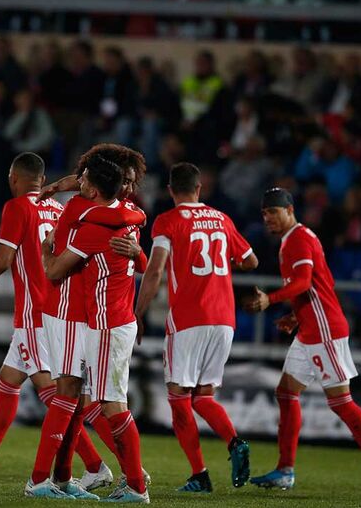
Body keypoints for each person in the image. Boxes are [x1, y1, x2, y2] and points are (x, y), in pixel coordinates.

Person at [0, 152, 108, 488]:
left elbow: (3, 260)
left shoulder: (17, 207)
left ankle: (95, 464)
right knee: (8, 381)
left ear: (13, 178)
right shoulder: (59, 209)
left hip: (36, 315)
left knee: (51, 392)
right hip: (57, 310)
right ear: (42, 180)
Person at [245, 188, 361, 499]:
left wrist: (271, 299)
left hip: (324, 330)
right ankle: (285, 470)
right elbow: (314, 287)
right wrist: (294, 315)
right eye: (265, 214)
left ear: (290, 210)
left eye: (274, 212)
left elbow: (303, 281)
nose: (268, 218)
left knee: (341, 402)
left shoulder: (300, 239)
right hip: (308, 329)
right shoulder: (293, 239)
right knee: (286, 392)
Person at [24, 145, 149, 501]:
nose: (128, 187)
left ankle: (65, 478)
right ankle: (47, 479)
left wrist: (47, 245)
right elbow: (124, 214)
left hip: (97, 317)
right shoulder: (119, 214)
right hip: (68, 310)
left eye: (131, 181)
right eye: (124, 180)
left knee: (83, 398)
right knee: (71, 393)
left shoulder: (109, 214)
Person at [134, 162, 258, 493]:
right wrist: (228, 261)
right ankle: (234, 442)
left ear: (171, 190)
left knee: (178, 401)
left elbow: (156, 270)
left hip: (189, 320)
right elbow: (251, 260)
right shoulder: (222, 218)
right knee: (203, 396)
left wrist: (139, 312)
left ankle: (200, 475)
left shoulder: (168, 221)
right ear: (199, 189)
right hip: (224, 320)